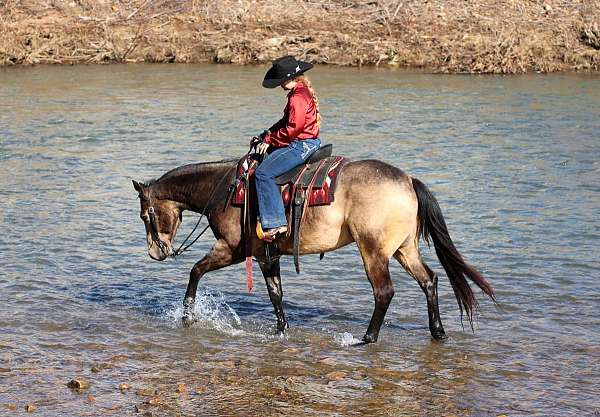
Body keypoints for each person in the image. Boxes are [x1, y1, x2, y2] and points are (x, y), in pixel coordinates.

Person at [252, 55, 322, 239]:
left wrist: (270, 141)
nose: (280, 84)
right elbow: (285, 122)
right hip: (308, 142)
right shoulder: (300, 92)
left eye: (281, 80)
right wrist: (267, 134)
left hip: (301, 144)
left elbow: (293, 129)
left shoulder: (297, 98)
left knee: (263, 173)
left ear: (291, 78)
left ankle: (276, 223)